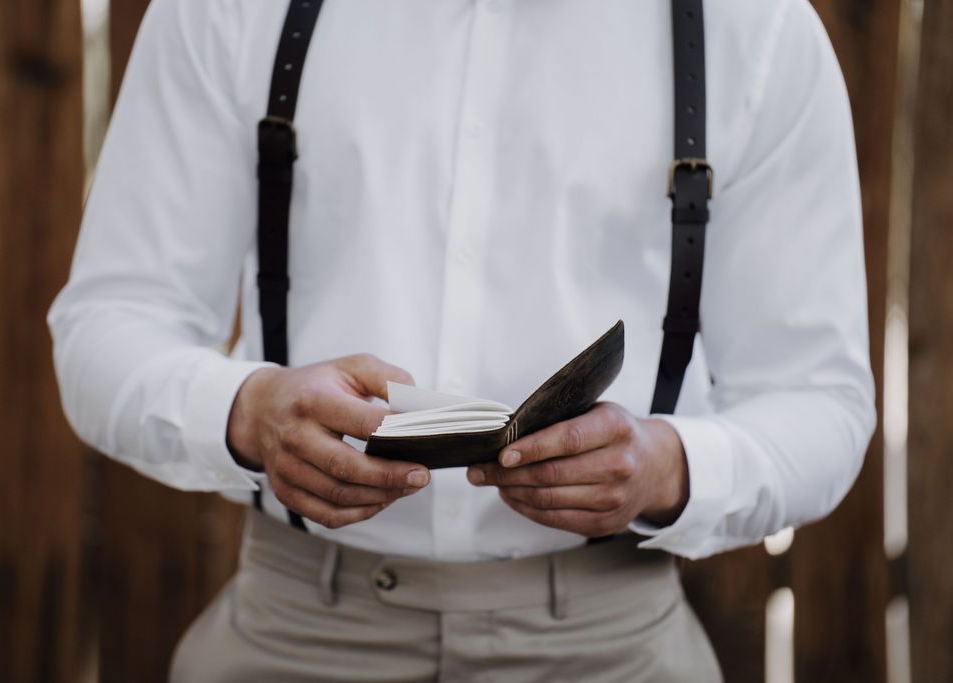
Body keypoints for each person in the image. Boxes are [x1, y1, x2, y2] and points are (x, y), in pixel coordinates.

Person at [48, 0, 875, 681]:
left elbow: (821, 400)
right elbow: (109, 323)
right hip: (294, 633)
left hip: (611, 645)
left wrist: (668, 466)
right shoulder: (231, 10)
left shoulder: (754, 30)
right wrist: (247, 411)